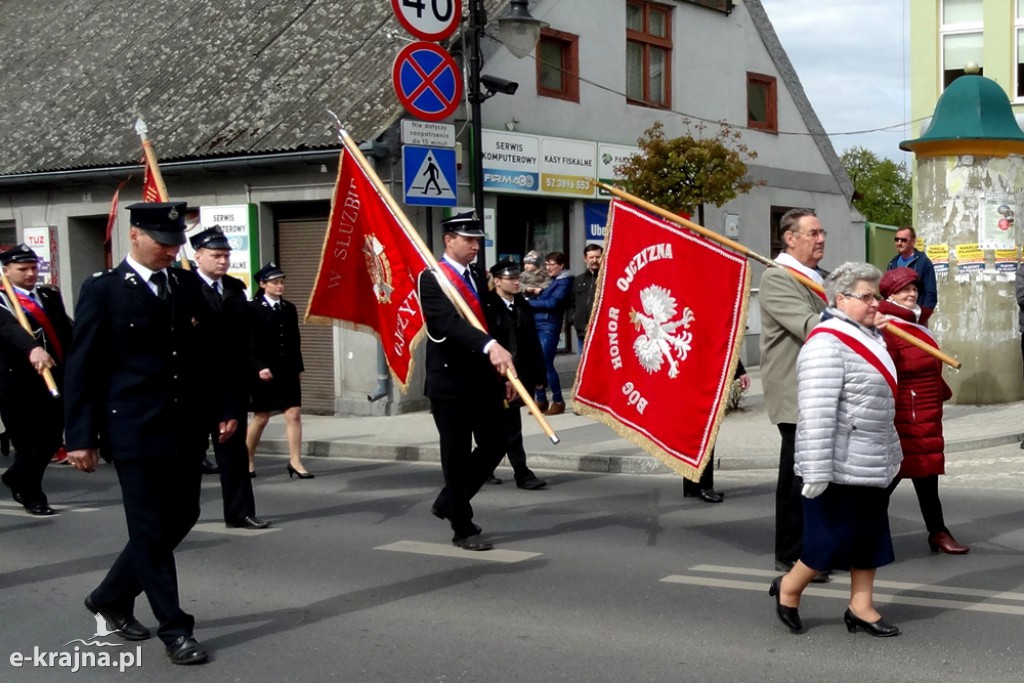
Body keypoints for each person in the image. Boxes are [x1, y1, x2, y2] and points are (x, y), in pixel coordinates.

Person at [64, 201, 235, 665]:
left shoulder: (184, 284)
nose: (170, 251)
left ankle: (110, 595)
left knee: (182, 515)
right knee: (149, 530)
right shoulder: (103, 290)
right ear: (135, 235)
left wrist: (223, 406)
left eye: (176, 244)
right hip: (133, 427)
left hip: (183, 424)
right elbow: (82, 367)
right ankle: (176, 629)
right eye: (162, 243)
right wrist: (79, 436)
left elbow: (208, 352)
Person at [769, 262, 903, 637]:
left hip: (872, 457)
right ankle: (790, 589)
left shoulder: (870, 337)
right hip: (839, 460)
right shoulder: (826, 343)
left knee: (870, 537)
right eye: (867, 297)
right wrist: (815, 471)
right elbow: (816, 413)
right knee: (828, 540)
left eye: (877, 296)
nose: (876, 303)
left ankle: (861, 607)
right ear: (841, 301)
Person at [419, 211, 515, 551]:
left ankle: (448, 500)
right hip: (451, 382)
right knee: (456, 455)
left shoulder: (477, 276)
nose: (476, 245)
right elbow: (447, 324)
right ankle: (462, 525)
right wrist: (490, 347)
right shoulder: (432, 278)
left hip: (483, 379)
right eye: (468, 240)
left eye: (478, 240)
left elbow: (490, 322)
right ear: (449, 240)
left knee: (495, 443)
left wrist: (502, 366)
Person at [758, 208, 829, 579]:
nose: (820, 239)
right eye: (813, 233)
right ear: (790, 238)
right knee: (798, 478)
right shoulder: (778, 278)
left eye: (822, 233)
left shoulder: (821, 278)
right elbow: (810, 325)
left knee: (823, 476)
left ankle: (820, 548)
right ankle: (790, 553)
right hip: (795, 392)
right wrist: (855, 317)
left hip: (824, 389)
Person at [878, 267, 967, 554]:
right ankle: (853, 533)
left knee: (926, 473)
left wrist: (939, 389)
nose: (911, 293)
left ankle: (938, 532)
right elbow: (886, 373)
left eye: (914, 288)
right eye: (904, 289)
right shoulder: (888, 328)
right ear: (890, 294)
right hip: (907, 414)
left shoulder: (915, 324)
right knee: (889, 477)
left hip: (926, 412)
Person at [190, 226, 270, 529]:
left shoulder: (235, 289)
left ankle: (240, 512)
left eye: (226, 255)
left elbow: (249, 336)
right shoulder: (184, 287)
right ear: (198, 256)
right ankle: (180, 512)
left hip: (231, 385)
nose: (222, 261)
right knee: (189, 457)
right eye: (216, 255)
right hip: (195, 387)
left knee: (234, 455)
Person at [0, 244, 73, 516]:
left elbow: (65, 331)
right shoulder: (3, 299)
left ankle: (16, 477)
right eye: (23, 269)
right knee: (28, 443)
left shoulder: (48, 295)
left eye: (33, 267)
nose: (30, 273)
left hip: (53, 378)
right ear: (6, 271)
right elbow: (7, 328)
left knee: (51, 440)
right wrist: (32, 347)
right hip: (16, 385)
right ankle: (32, 494)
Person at [483, 259, 548, 490]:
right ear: (497, 280)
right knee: (503, 428)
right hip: (498, 377)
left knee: (505, 428)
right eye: (510, 278)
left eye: (517, 278)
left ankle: (491, 468)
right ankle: (519, 472)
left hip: (521, 374)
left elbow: (532, 342)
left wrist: (540, 376)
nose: (515, 282)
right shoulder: (487, 306)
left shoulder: (521, 303)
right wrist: (499, 378)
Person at [245, 261, 310, 479]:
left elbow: (295, 339)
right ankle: (248, 458)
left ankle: (295, 461)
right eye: (275, 282)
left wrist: (299, 367)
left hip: (287, 369)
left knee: (294, 413)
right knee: (261, 416)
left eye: (282, 282)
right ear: (263, 284)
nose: (280, 286)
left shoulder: (288, 308)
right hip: (264, 369)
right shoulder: (252, 308)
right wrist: (260, 366)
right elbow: (250, 341)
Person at [682, 361, 750, 503]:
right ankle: (704, 487)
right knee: (706, 432)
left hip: (690, 378)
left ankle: (692, 484)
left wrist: (740, 370)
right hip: (702, 380)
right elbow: (722, 341)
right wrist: (740, 371)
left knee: (695, 433)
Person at [524, 251, 572, 415]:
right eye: (547, 264)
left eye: (552, 264)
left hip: (549, 326)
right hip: (536, 324)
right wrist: (534, 293)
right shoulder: (551, 281)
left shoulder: (564, 281)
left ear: (561, 266)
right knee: (535, 363)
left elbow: (553, 303)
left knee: (545, 364)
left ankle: (558, 401)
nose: (548, 267)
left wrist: (529, 303)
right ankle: (541, 400)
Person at [887, 226, 936, 325]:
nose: (899, 243)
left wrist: (921, 318)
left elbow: (930, 293)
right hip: (896, 318)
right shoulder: (892, 264)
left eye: (903, 240)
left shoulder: (923, 262)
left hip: (917, 318)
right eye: (897, 239)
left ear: (913, 242)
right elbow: (888, 292)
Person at [571, 243, 603, 351]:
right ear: (585, 259)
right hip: (583, 333)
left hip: (602, 333)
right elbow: (572, 302)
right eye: (591, 257)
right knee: (584, 366)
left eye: (597, 257)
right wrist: (573, 318)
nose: (594, 260)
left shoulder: (609, 279)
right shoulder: (578, 280)